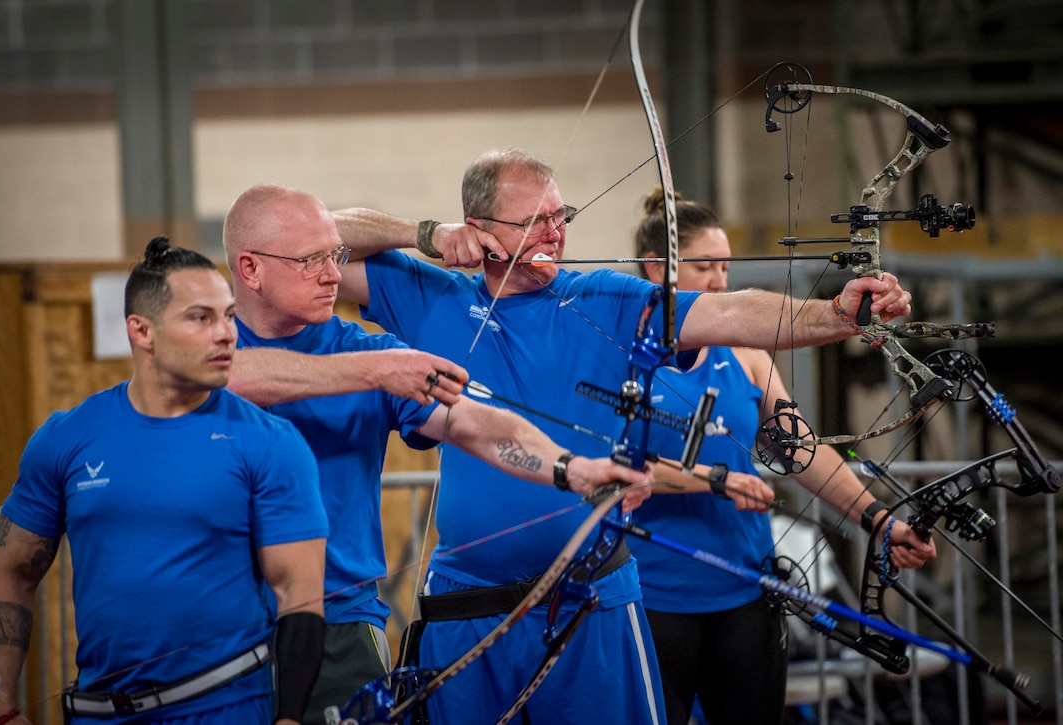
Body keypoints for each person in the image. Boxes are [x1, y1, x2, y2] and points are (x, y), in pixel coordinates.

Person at [328, 147, 916, 724]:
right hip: (468, 602)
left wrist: (837, 314)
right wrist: (426, 233)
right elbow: (311, 240)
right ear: (479, 231)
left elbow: (732, 314)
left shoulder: (603, 299)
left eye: (562, 217)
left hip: (592, 600)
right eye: (536, 221)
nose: (556, 234)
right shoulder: (429, 294)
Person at [221, 183, 652, 724]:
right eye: (312, 261)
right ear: (251, 270)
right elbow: (229, 375)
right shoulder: (207, 348)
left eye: (334, 257)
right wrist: (378, 365)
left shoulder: (369, 352)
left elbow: (474, 424)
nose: (334, 274)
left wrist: (570, 468)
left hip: (340, 627)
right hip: (214, 627)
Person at [0, 238, 328, 725]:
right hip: (99, 712)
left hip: (226, 706)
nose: (226, 334)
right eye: (201, 318)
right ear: (141, 331)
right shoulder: (66, 437)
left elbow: (300, 596)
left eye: (228, 316)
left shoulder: (271, 444)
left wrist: (289, 720)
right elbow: (13, 569)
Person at [628, 189, 938, 725]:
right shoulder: (618, 353)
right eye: (704, 266)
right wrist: (712, 479)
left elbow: (801, 451)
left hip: (745, 589)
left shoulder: (745, 352)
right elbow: (606, 465)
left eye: (725, 266)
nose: (719, 281)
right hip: (653, 595)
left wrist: (879, 520)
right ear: (657, 268)